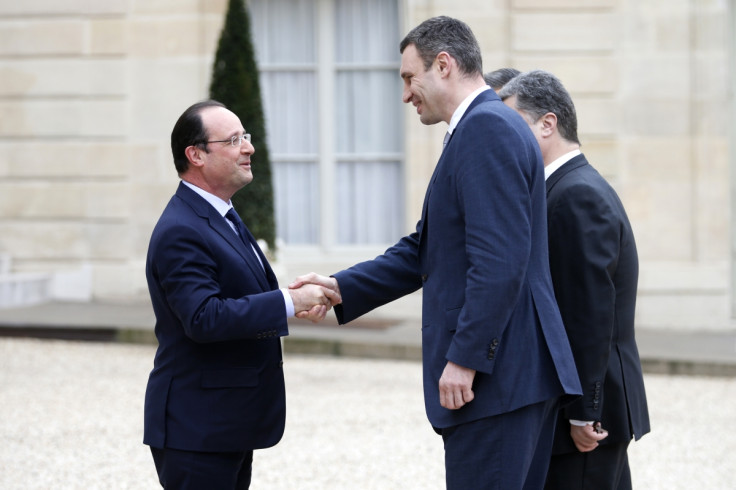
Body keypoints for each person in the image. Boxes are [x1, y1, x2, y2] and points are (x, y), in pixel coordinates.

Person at [291, 17, 581, 490]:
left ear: (443, 65)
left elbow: (500, 261)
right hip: (512, 379)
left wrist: (465, 357)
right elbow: (424, 250)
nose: (406, 94)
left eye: (409, 77)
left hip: (499, 381)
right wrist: (341, 287)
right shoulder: (477, 129)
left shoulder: (486, 128)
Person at [143, 100, 338, 489]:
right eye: (233, 140)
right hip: (197, 428)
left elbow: (238, 294)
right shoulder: (182, 228)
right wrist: (288, 302)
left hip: (225, 422)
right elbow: (203, 318)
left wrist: (291, 299)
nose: (249, 147)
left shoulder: (221, 213)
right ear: (195, 154)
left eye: (245, 137)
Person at [498, 70, 650, 489]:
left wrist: (585, 411)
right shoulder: (563, 188)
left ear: (548, 124)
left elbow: (589, 314)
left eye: (513, 126)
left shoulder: (576, 194)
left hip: (587, 419)